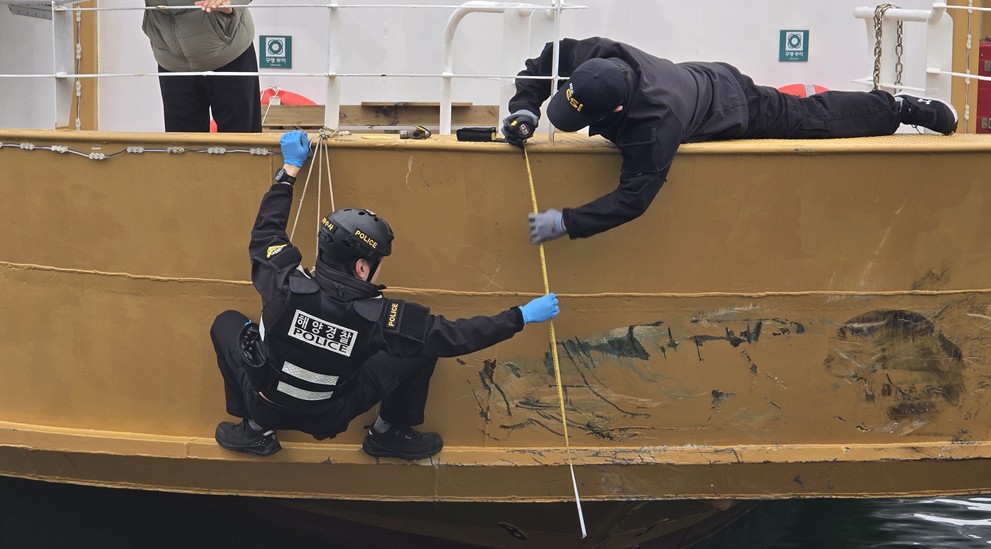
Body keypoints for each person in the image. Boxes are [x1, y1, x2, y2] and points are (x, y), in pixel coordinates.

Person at [210, 130, 560, 460]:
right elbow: (456, 337)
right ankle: (386, 434)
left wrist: (289, 172)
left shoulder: (283, 282)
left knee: (226, 324)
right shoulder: (381, 319)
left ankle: (255, 429)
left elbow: (265, 234)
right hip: (329, 417)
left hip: (266, 401)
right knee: (421, 351)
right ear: (362, 268)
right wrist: (521, 316)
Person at [502, 37, 959, 243]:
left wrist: (567, 221)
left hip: (729, 102)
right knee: (803, 112)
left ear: (617, 112)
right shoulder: (596, 57)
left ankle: (897, 108)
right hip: (692, 77)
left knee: (808, 117)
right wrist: (524, 109)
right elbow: (547, 57)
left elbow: (634, 197)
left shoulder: (654, 125)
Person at [142, 0, 261, 132]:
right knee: (183, 148)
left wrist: (232, 2)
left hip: (228, 51)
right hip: (171, 58)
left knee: (240, 145)